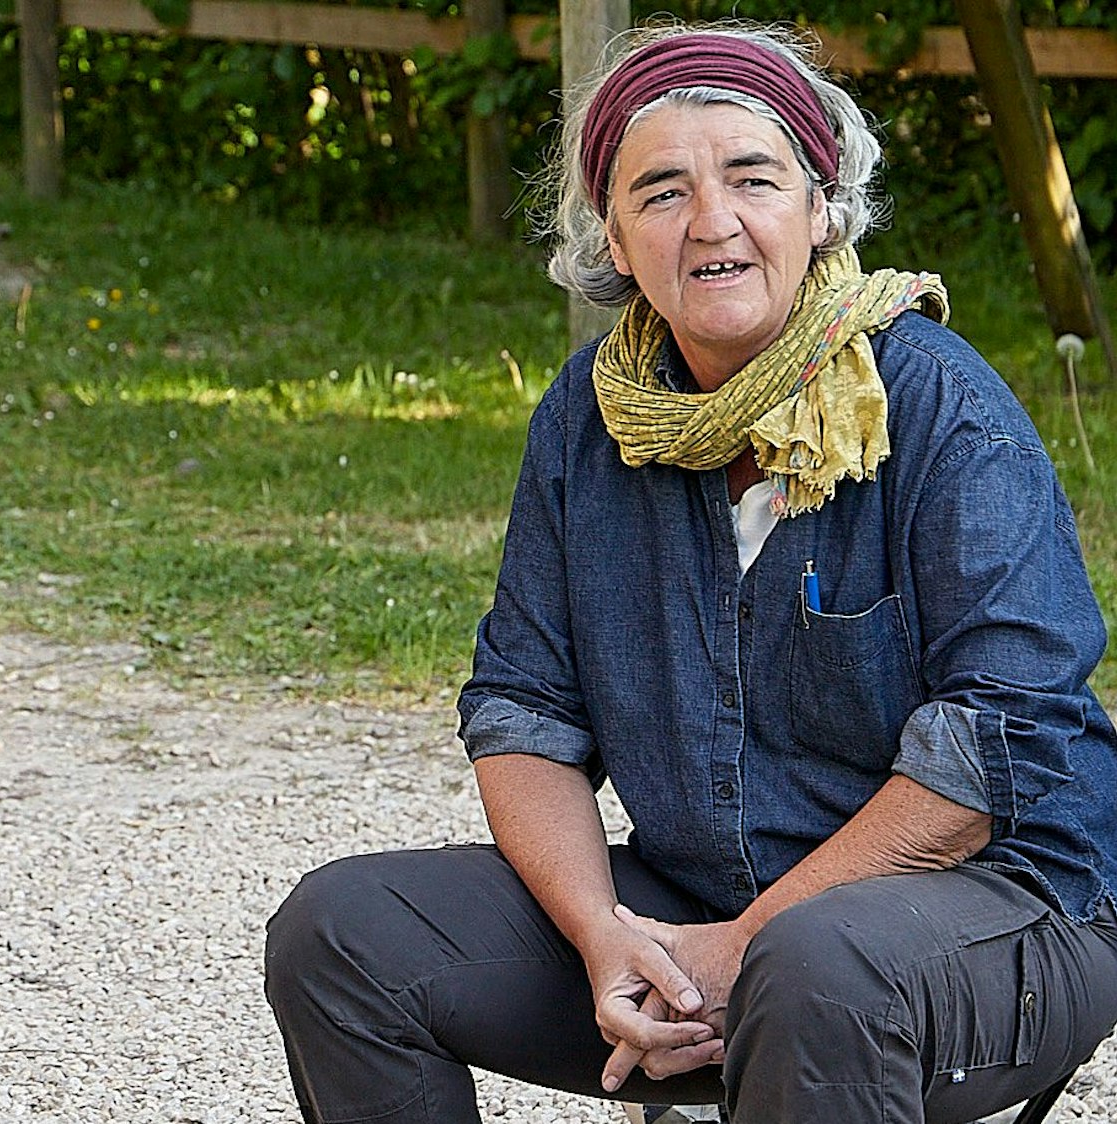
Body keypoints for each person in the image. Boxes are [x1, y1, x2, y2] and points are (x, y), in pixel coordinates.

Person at [265, 22, 1117, 1124]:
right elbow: (524, 709)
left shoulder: (941, 410)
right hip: (709, 910)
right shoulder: (587, 416)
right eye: (660, 190)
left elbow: (994, 747)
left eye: (753, 178)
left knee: (816, 967)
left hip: (997, 913)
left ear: (820, 210)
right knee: (344, 932)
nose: (711, 221)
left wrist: (746, 945)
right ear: (613, 238)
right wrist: (605, 934)